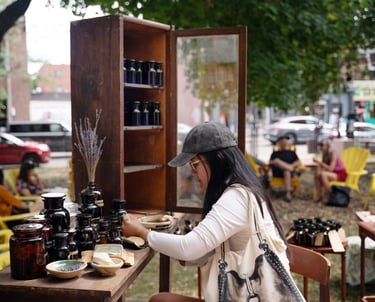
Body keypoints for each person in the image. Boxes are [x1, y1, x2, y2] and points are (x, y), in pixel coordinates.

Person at [121, 122, 296, 302]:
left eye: (194, 164)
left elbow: (188, 248)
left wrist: (142, 233)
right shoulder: (244, 189)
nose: (193, 173)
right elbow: (202, 249)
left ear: (218, 159)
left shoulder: (237, 197)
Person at [313, 139, 347, 203]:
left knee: (323, 174)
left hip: (340, 174)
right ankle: (319, 195)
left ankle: (329, 195)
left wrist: (319, 163)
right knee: (317, 175)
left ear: (327, 146)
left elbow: (331, 169)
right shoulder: (324, 154)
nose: (320, 147)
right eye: (320, 145)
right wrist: (318, 171)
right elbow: (322, 167)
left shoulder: (333, 153)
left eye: (322, 145)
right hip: (332, 173)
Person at [269, 135, 301, 202]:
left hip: (288, 173)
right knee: (277, 161)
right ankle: (293, 170)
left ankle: (288, 193)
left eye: (286, 141)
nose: (284, 143)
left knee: (287, 171)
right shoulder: (275, 153)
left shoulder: (292, 153)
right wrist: (275, 162)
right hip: (278, 172)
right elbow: (270, 162)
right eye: (283, 142)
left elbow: (298, 162)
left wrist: (293, 164)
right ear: (279, 143)